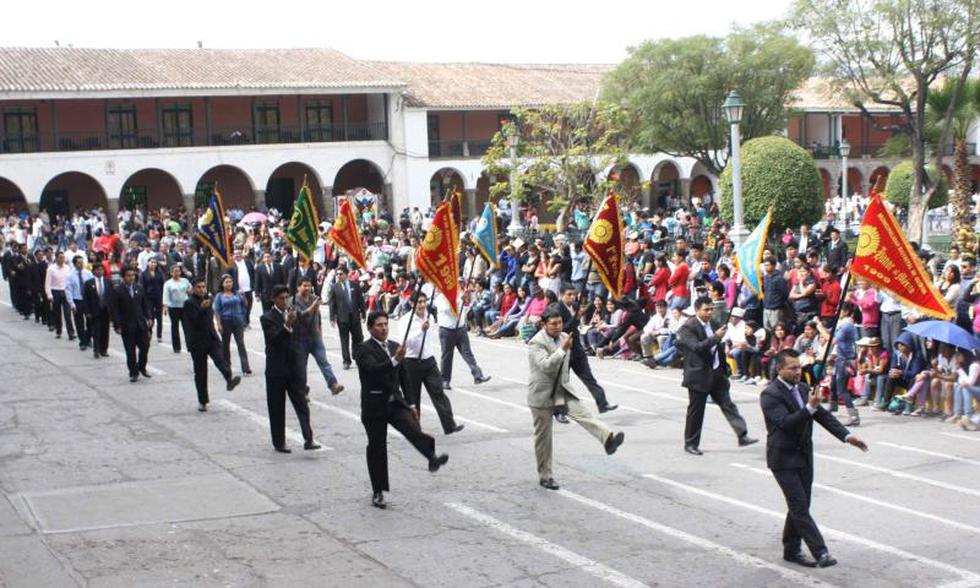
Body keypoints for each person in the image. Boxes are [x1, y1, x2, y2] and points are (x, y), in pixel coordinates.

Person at [760, 349, 868, 568]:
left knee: (800, 504)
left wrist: (847, 437)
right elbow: (786, 423)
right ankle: (821, 552)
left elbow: (823, 416)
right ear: (779, 369)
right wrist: (810, 406)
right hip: (783, 458)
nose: (798, 371)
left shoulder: (802, 388)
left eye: (799, 367)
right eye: (792, 368)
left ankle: (791, 549)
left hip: (804, 455)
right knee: (799, 505)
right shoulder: (770, 394)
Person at [354, 310, 448, 509]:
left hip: (395, 402)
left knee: (413, 429)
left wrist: (412, 404)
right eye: (379, 325)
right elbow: (373, 371)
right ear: (370, 328)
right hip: (374, 405)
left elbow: (405, 378)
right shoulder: (363, 349)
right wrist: (395, 360)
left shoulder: (396, 347)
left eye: (386, 324)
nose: (384, 328)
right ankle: (378, 491)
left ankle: (431, 457)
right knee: (377, 447)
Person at [526, 306, 624, 490]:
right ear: (543, 324)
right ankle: (545, 475)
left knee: (584, 414)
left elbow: (573, 361)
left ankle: (608, 439)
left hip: (562, 388)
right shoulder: (536, 343)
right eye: (553, 323)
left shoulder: (565, 337)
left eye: (560, 323)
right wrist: (562, 350)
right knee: (544, 437)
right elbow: (546, 366)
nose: (557, 326)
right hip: (542, 393)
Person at [675, 296, 758, 455]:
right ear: (697, 310)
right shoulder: (687, 328)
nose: (709, 312)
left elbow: (720, 346)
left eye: (711, 309)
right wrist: (716, 337)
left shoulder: (713, 324)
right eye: (706, 310)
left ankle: (742, 434)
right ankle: (691, 443)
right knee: (696, 411)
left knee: (728, 405)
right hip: (698, 374)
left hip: (716, 373)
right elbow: (697, 347)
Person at [260, 285, 319, 453]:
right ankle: (279, 442)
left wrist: (313, 308)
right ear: (274, 299)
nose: (285, 301)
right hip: (276, 370)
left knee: (302, 404)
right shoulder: (267, 318)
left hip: (294, 367)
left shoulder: (294, 313)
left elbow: (306, 319)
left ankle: (308, 438)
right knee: (277, 407)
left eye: (287, 297)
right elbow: (275, 340)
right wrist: (287, 325)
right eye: (281, 298)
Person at [398, 292, 464, 434]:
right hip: (411, 362)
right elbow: (404, 342)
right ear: (412, 304)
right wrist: (420, 331)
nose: (422, 305)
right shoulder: (406, 320)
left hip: (428, 361)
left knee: (438, 391)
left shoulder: (430, 317)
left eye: (424, 302)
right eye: (419, 302)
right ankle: (415, 429)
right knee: (413, 397)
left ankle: (449, 424)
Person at [183, 279, 242, 411]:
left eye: (204, 286)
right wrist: (203, 309)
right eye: (199, 287)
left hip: (211, 338)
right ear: (193, 288)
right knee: (201, 372)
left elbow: (210, 318)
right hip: (197, 342)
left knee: (221, 360)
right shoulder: (189, 303)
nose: (202, 289)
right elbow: (195, 322)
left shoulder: (208, 300)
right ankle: (202, 401)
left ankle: (229, 379)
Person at [558, 286, 617, 413]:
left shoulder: (575, 306)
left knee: (589, 378)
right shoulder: (557, 308)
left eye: (574, 294)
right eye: (569, 294)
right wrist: (574, 321)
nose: (572, 297)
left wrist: (578, 317)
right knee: (563, 382)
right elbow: (559, 329)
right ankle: (559, 411)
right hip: (564, 349)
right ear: (562, 294)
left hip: (577, 350)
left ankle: (602, 403)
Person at [292, 277, 344, 395]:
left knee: (324, 362)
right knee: (301, 367)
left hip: (315, 337)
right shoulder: (294, 300)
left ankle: (333, 384)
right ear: (298, 287)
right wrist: (313, 307)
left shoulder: (314, 298)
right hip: (300, 338)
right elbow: (301, 315)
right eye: (304, 286)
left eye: (309, 286)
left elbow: (317, 316)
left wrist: (319, 330)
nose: (307, 288)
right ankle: (302, 391)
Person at [434, 289, 491, 390]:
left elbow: (464, 309)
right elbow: (449, 310)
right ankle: (445, 380)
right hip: (447, 330)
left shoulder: (458, 295)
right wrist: (460, 300)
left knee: (467, 353)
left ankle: (478, 375)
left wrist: (465, 301)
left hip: (460, 328)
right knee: (447, 356)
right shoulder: (440, 299)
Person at [111, 266, 153, 383]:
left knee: (145, 346)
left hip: (140, 324)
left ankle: (142, 366)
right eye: (129, 276)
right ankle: (133, 372)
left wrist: (149, 317)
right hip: (126, 325)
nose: (131, 278)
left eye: (133, 275)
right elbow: (115, 310)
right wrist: (117, 325)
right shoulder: (117, 291)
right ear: (123, 277)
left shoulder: (139, 288)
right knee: (130, 351)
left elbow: (145, 305)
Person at [327, 266, 366, 370]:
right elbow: (332, 304)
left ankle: (357, 357)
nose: (338, 276)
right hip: (342, 318)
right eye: (337, 274)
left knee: (358, 338)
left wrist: (363, 313)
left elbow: (360, 300)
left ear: (346, 274)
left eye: (341, 274)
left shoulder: (355, 285)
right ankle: (346, 361)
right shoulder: (334, 287)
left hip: (355, 317)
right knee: (344, 340)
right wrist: (332, 318)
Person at [214, 274, 252, 375]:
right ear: (222, 284)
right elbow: (217, 311)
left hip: (238, 321)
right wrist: (218, 325)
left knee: (241, 344)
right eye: (226, 282)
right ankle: (226, 367)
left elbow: (245, 305)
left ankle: (246, 368)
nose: (229, 284)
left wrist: (243, 297)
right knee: (225, 346)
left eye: (230, 282)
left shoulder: (237, 293)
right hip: (225, 322)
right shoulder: (219, 296)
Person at [65, 253, 93, 351]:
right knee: (79, 322)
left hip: (87, 301)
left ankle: (88, 338)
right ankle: (82, 342)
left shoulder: (88, 273)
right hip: (77, 301)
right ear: (74, 264)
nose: (81, 265)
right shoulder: (70, 275)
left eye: (82, 262)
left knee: (90, 322)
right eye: (79, 263)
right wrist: (71, 304)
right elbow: (68, 290)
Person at [82, 263, 111, 358]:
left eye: (101, 270)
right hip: (94, 311)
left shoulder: (108, 282)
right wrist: (87, 312)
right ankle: (96, 350)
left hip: (106, 311)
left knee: (105, 331)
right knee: (96, 331)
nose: (100, 271)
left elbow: (111, 297)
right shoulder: (89, 283)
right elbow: (86, 299)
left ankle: (104, 349)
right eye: (97, 270)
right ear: (94, 271)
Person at [45, 251, 74, 340]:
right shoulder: (51, 269)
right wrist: (49, 295)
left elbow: (70, 281)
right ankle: (58, 330)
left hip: (65, 292)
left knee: (67, 314)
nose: (62, 259)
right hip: (55, 292)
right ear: (56, 258)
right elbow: (47, 284)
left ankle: (71, 333)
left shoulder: (68, 268)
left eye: (63, 257)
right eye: (60, 257)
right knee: (57, 313)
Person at [162, 265, 191, 353]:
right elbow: (165, 295)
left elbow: (190, 289)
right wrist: (165, 306)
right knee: (175, 327)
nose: (177, 273)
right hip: (173, 307)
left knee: (187, 327)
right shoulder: (168, 283)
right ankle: (176, 347)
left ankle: (190, 346)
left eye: (178, 271)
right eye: (175, 271)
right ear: (171, 273)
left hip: (185, 307)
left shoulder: (185, 281)